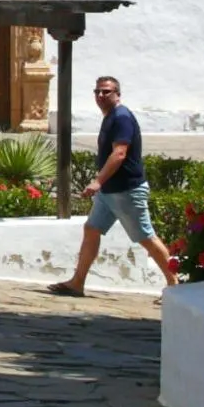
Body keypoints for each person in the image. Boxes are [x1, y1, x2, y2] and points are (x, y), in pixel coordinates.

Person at [52, 73, 149, 297]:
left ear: (118, 94)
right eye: (97, 91)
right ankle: (77, 283)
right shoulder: (111, 116)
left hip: (126, 190)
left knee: (145, 236)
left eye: (107, 91)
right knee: (92, 229)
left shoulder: (121, 117)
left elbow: (120, 153)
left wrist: (97, 181)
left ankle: (173, 284)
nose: (101, 95)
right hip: (111, 191)